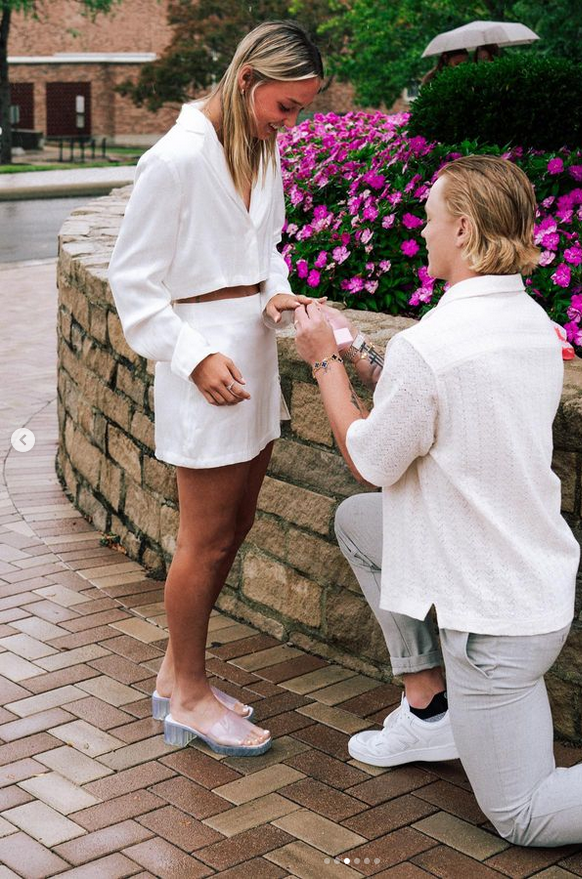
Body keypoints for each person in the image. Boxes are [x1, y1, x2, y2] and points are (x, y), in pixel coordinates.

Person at [293, 155, 582, 846]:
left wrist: (322, 360)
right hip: (523, 575)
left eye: (427, 220)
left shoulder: (435, 344)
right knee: (362, 523)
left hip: (493, 625)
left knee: (523, 813)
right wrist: (356, 345)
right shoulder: (531, 324)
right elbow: (436, 396)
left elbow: (368, 457)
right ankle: (429, 711)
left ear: (459, 227)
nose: (420, 233)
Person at [107, 21, 323, 757]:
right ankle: (190, 697)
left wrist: (278, 295)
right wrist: (193, 356)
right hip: (204, 366)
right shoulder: (173, 159)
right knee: (203, 539)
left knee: (236, 525)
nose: (288, 123)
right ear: (246, 81)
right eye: (285, 106)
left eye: (298, 110)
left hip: (255, 354)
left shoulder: (262, 152)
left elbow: (267, 251)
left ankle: (178, 672)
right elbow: (133, 285)